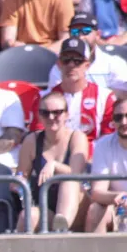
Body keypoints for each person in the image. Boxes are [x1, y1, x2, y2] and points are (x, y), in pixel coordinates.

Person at [16, 92, 89, 232]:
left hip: (78, 208)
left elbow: (76, 173)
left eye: (57, 112)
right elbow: (21, 175)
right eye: (45, 113)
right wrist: (17, 181)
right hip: (47, 206)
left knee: (69, 180)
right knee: (29, 215)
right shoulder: (32, 140)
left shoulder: (77, 137)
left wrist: (54, 165)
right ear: (39, 115)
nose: (51, 117)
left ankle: (61, 228)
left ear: (67, 115)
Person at [46, 12, 127, 98]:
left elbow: (122, 95)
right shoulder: (61, 65)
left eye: (86, 31)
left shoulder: (114, 62)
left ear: (98, 34)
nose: (80, 36)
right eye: (75, 32)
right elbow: (56, 97)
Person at [0, 0, 73, 53]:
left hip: (51, 54)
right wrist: (12, 44)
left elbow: (65, 38)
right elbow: (7, 38)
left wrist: (40, 53)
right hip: (22, 53)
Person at [86, 99, 127, 232]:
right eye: (118, 117)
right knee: (96, 210)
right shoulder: (104, 144)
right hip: (119, 206)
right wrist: (118, 196)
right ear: (113, 121)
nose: (124, 122)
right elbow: (97, 192)